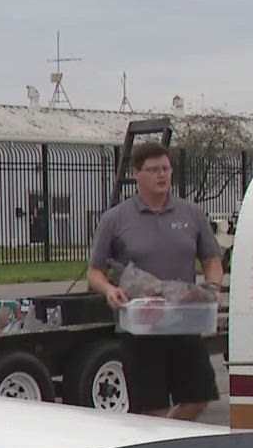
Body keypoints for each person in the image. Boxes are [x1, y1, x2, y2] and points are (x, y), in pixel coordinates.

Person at [85, 142, 224, 420]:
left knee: (198, 398)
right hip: (141, 327)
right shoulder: (116, 218)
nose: (162, 175)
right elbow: (94, 271)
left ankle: (167, 439)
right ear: (136, 173)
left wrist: (214, 288)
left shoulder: (192, 214)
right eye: (153, 170)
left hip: (182, 322)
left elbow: (211, 260)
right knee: (152, 409)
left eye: (166, 169)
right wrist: (109, 289)